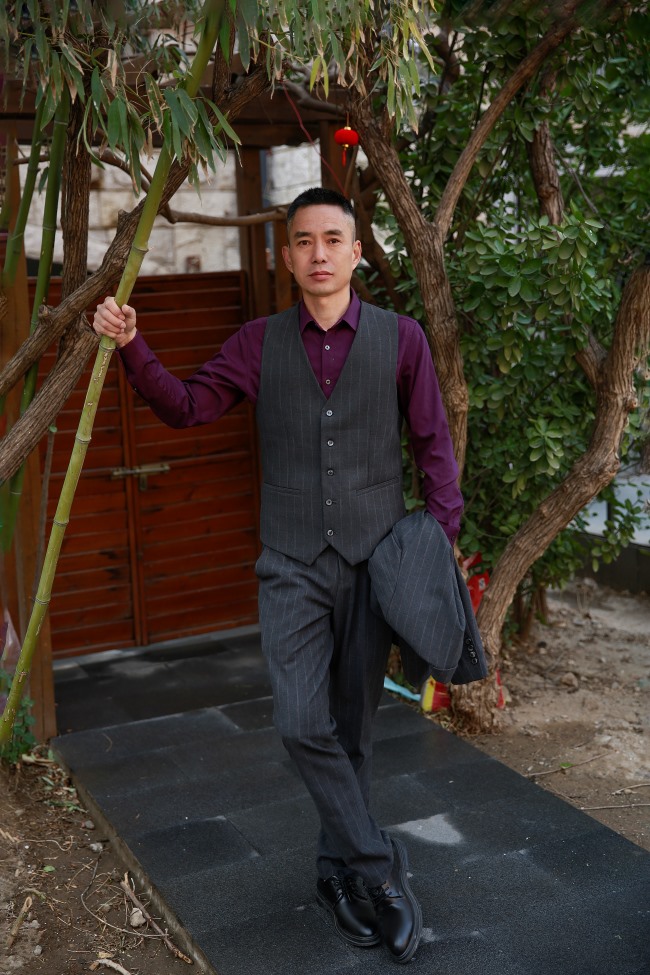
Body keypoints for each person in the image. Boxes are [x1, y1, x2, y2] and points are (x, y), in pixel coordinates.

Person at [92, 186, 463, 964]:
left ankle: (336, 873)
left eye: (332, 239)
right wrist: (133, 345)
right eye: (303, 240)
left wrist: (437, 543)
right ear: (287, 257)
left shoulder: (401, 339)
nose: (318, 252)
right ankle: (380, 870)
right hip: (291, 562)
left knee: (354, 730)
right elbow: (186, 406)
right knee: (301, 722)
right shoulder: (258, 342)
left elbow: (434, 444)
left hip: (374, 563)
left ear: (356, 253)